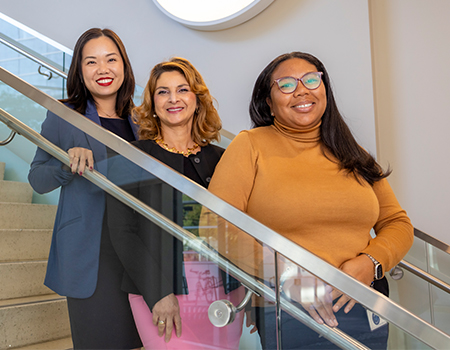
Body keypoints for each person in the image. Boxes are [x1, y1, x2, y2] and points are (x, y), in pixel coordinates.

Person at [205, 51, 414, 349]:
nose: (302, 89)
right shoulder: (250, 145)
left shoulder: (354, 153)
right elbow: (215, 223)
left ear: (324, 90)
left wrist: (371, 263)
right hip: (292, 308)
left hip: (366, 305)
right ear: (269, 102)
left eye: (311, 79)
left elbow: (397, 222)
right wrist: (288, 275)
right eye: (286, 84)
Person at [106, 57, 245, 350]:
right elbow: (122, 232)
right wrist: (158, 293)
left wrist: (255, 291)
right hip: (159, 293)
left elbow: (242, 229)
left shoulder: (223, 159)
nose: (173, 99)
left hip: (224, 292)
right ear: (153, 103)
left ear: (197, 98)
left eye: (182, 90)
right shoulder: (130, 156)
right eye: (162, 91)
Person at [28, 28, 142, 350]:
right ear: (79, 70)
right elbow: (37, 177)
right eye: (91, 62)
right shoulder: (64, 115)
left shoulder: (143, 120)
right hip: (94, 251)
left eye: (111, 59)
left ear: (124, 65)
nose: (102, 69)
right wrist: (67, 165)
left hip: (140, 247)